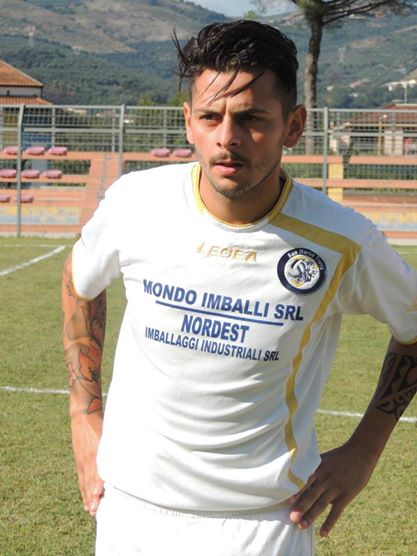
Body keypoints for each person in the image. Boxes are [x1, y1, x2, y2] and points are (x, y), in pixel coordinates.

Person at [62, 20, 417, 556]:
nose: (226, 138)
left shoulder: (342, 241)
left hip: (266, 523)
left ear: (293, 125)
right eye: (210, 117)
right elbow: (79, 280)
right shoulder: (135, 203)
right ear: (188, 121)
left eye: (251, 119)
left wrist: (365, 450)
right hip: (132, 510)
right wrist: (84, 413)